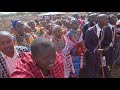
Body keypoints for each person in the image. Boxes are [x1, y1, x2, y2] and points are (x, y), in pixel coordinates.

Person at [85, 14, 108, 78]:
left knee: (97, 70)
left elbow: (100, 41)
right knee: (91, 71)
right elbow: (87, 43)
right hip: (91, 54)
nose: (107, 20)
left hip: (99, 54)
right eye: (105, 19)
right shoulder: (90, 31)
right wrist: (95, 50)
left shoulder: (103, 30)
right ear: (99, 20)